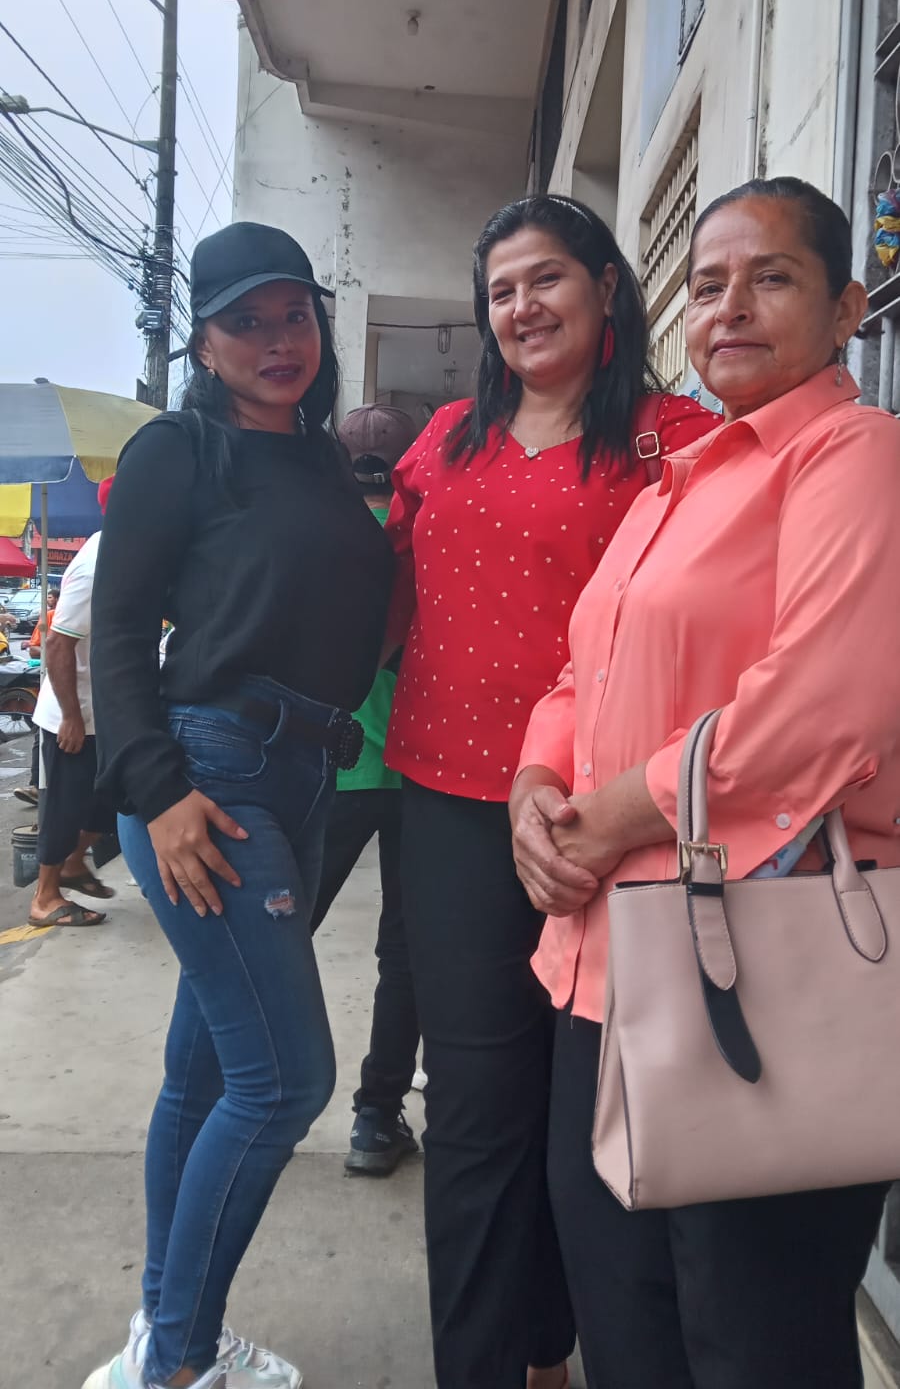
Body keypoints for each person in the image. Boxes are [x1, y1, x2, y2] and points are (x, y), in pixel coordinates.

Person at [511, 177, 900, 1389]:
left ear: (847, 308)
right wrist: (535, 788)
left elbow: (821, 706)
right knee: (626, 1324)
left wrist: (611, 815)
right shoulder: (674, 484)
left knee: (753, 1339)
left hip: (759, 967)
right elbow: (581, 671)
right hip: (601, 969)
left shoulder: (857, 456)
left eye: (770, 278)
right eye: (706, 283)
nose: (728, 306)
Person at [383, 193, 718, 1389]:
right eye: (501, 291)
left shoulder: (677, 442)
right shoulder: (445, 441)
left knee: (591, 1118)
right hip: (451, 809)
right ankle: (485, 1364)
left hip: (615, 819)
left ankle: (552, 1343)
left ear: (606, 286)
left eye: (547, 279)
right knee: (479, 1112)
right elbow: (376, 586)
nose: (522, 307)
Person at [85, 221, 394, 1389]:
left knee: (211, 1072)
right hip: (210, 774)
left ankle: (162, 1331)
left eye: (294, 316)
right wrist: (157, 789)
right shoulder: (180, 450)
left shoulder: (321, 460)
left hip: (305, 773)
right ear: (205, 342)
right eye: (246, 322)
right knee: (286, 1081)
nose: (278, 341)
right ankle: (180, 1361)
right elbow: (119, 631)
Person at [310, 402, 421, 1176]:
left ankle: (240, 1093)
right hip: (422, 773)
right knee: (405, 952)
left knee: (276, 935)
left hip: (334, 768)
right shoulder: (430, 535)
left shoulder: (322, 533)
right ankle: (376, 1118)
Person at [27, 492, 117, 926]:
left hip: (105, 712)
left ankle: (73, 862)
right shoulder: (98, 563)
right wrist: (71, 716)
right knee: (63, 807)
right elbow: (58, 643)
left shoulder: (124, 553)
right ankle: (44, 897)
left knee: (112, 801)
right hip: (73, 714)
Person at [15, 587, 59, 810]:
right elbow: (34, 649)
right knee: (42, 735)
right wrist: (60, 651)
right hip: (54, 686)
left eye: (52, 596)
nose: (50, 599)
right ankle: (37, 785)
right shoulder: (50, 617)